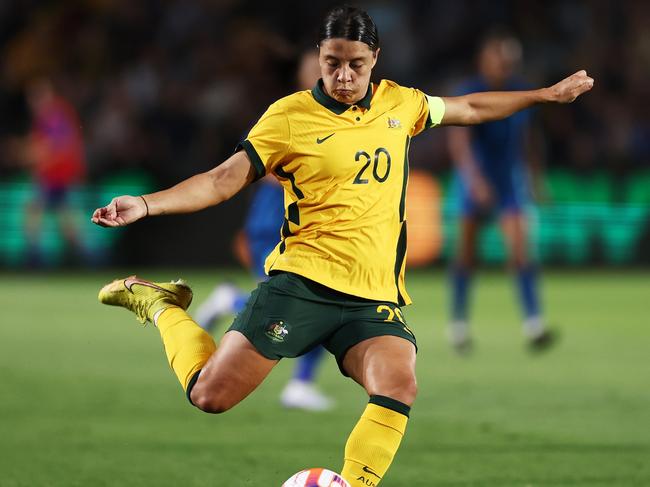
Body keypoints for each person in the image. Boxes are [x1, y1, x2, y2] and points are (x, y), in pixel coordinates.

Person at [92, 6, 593, 486]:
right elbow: (223, 179)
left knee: (398, 385)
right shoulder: (289, 117)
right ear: (319, 58)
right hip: (301, 285)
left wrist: (545, 96)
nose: (345, 76)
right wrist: (146, 202)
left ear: (375, 60)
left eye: (356, 65)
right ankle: (160, 304)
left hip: (372, 298)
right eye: (333, 64)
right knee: (209, 396)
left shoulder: (402, 104)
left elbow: (471, 106)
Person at [194, 50, 334, 412]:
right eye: (322, 66)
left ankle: (300, 384)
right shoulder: (286, 115)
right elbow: (258, 166)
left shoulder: (338, 119)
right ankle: (233, 303)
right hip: (276, 226)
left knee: (327, 302)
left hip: (309, 232)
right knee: (305, 305)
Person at [447, 31, 552, 353]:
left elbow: (528, 139)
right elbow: (459, 142)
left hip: (508, 183)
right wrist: (474, 181)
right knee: (466, 256)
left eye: (511, 60)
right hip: (474, 183)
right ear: (485, 59)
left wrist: (534, 177)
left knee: (520, 251)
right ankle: (459, 326)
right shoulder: (468, 92)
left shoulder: (521, 92)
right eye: (500, 58)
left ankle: (534, 324)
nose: (506, 64)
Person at [23, 78, 86, 266]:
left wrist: (28, 154)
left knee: (43, 214)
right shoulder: (51, 115)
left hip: (59, 175)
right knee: (61, 219)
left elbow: (53, 147)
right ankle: (82, 259)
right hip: (55, 175)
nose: (34, 101)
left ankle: (36, 260)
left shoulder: (55, 114)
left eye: (37, 96)